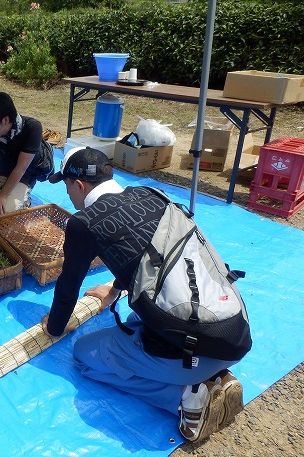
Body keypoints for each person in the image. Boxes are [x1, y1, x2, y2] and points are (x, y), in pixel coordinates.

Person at [40, 146, 248, 443]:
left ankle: (187, 398)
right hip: (233, 331)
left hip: (192, 353)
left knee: (84, 354)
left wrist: (55, 327)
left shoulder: (83, 223)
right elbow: (150, 256)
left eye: (67, 186)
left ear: (80, 185)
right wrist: (113, 291)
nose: (68, 195)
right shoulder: (151, 195)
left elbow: (68, 284)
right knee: (136, 319)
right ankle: (210, 377)